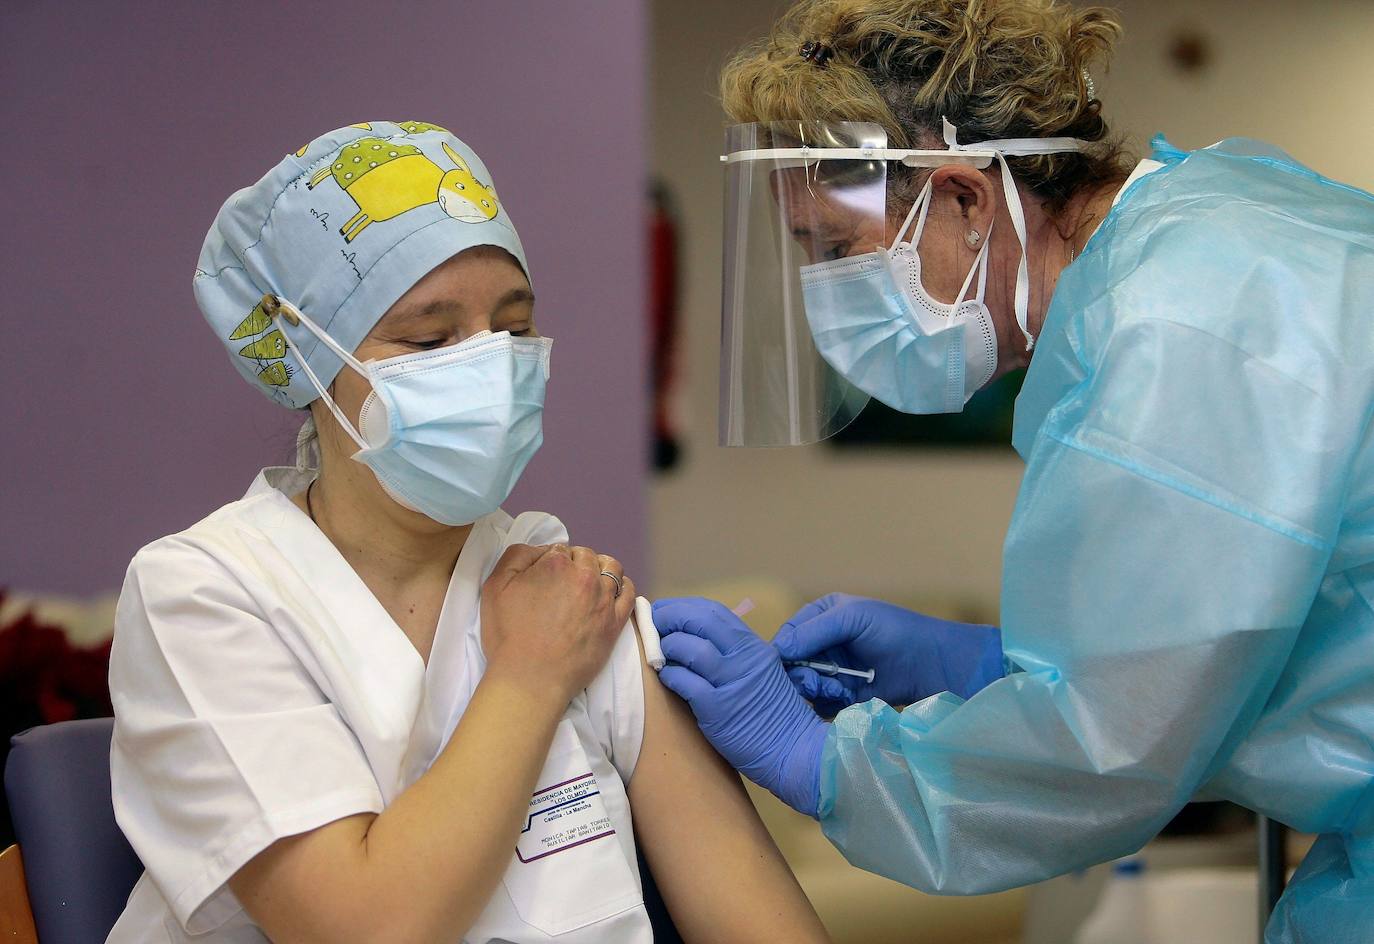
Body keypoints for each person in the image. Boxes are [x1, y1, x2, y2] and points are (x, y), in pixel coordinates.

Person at [649, 2, 1374, 942]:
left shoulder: (1173, 328)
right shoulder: (1214, 225)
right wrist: (988, 665)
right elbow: (1237, 626)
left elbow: (1105, 757)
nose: (826, 296)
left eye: (835, 250)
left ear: (963, 200)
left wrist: (822, 762)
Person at [106, 120, 830, 944]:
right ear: (309, 357)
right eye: (429, 339)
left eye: (514, 331)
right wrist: (528, 676)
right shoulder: (205, 595)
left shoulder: (564, 587)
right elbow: (364, 930)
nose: (491, 369)